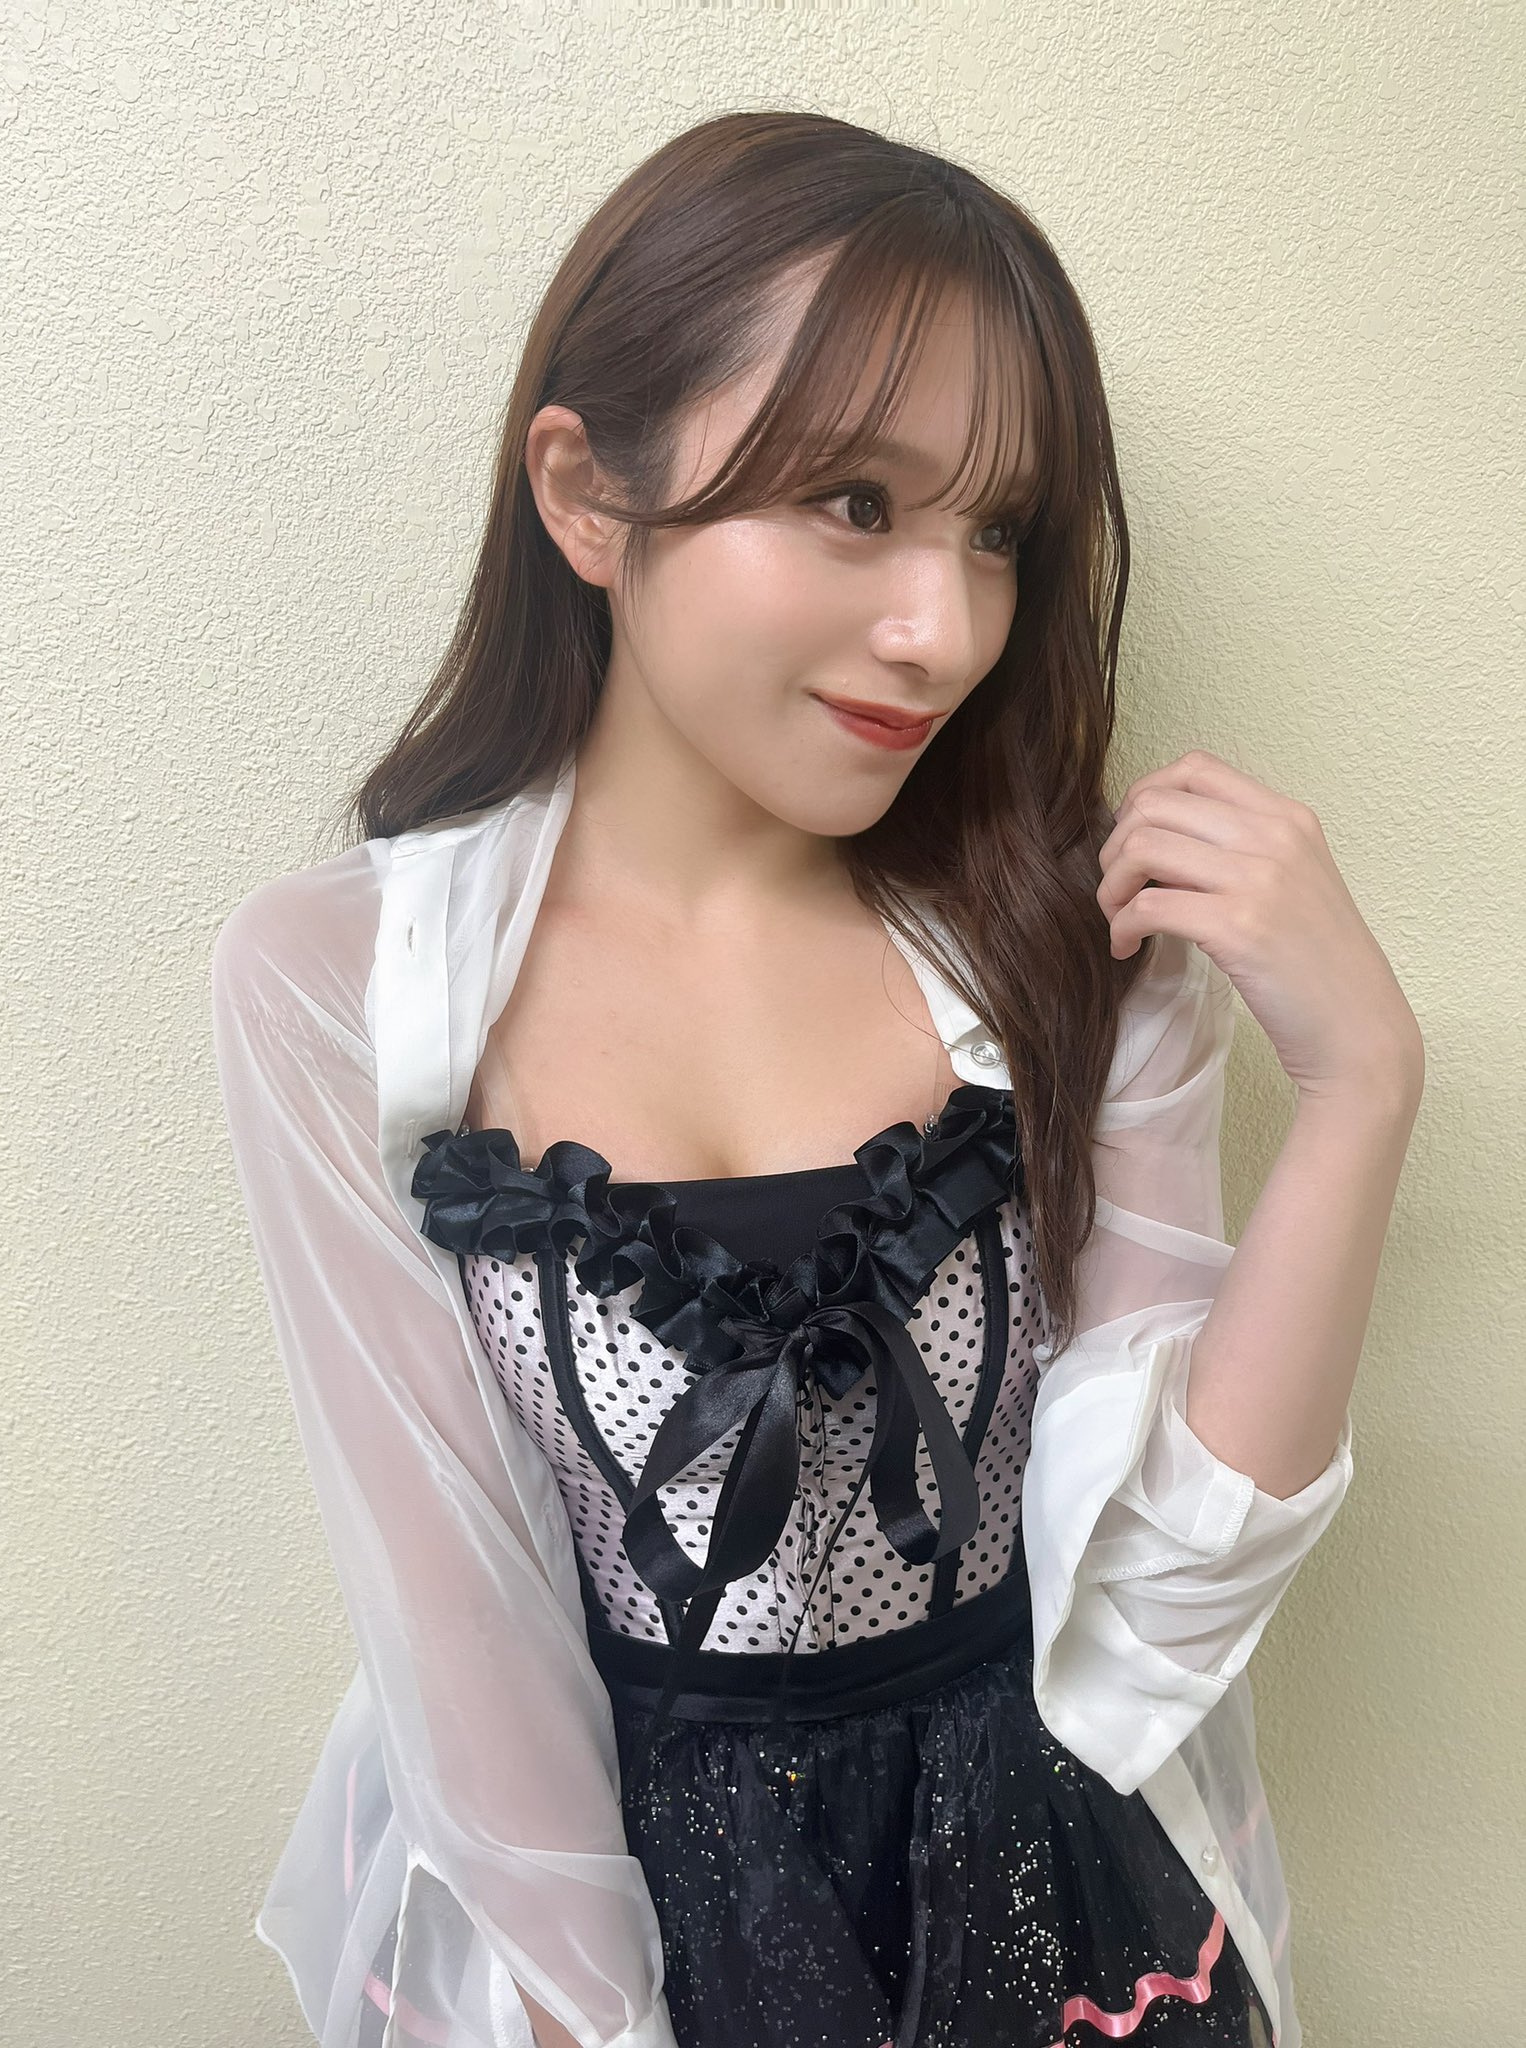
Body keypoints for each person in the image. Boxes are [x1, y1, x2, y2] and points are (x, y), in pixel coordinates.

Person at [211, 111, 1421, 2048]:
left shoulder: (1066, 953)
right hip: (614, 1911)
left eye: (997, 533)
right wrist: (590, 2014)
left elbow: (1154, 1615)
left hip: (1038, 1874)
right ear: (587, 494)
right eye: (855, 501)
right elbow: (461, 1632)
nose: (943, 632)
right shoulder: (342, 984)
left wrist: (1358, 1083)